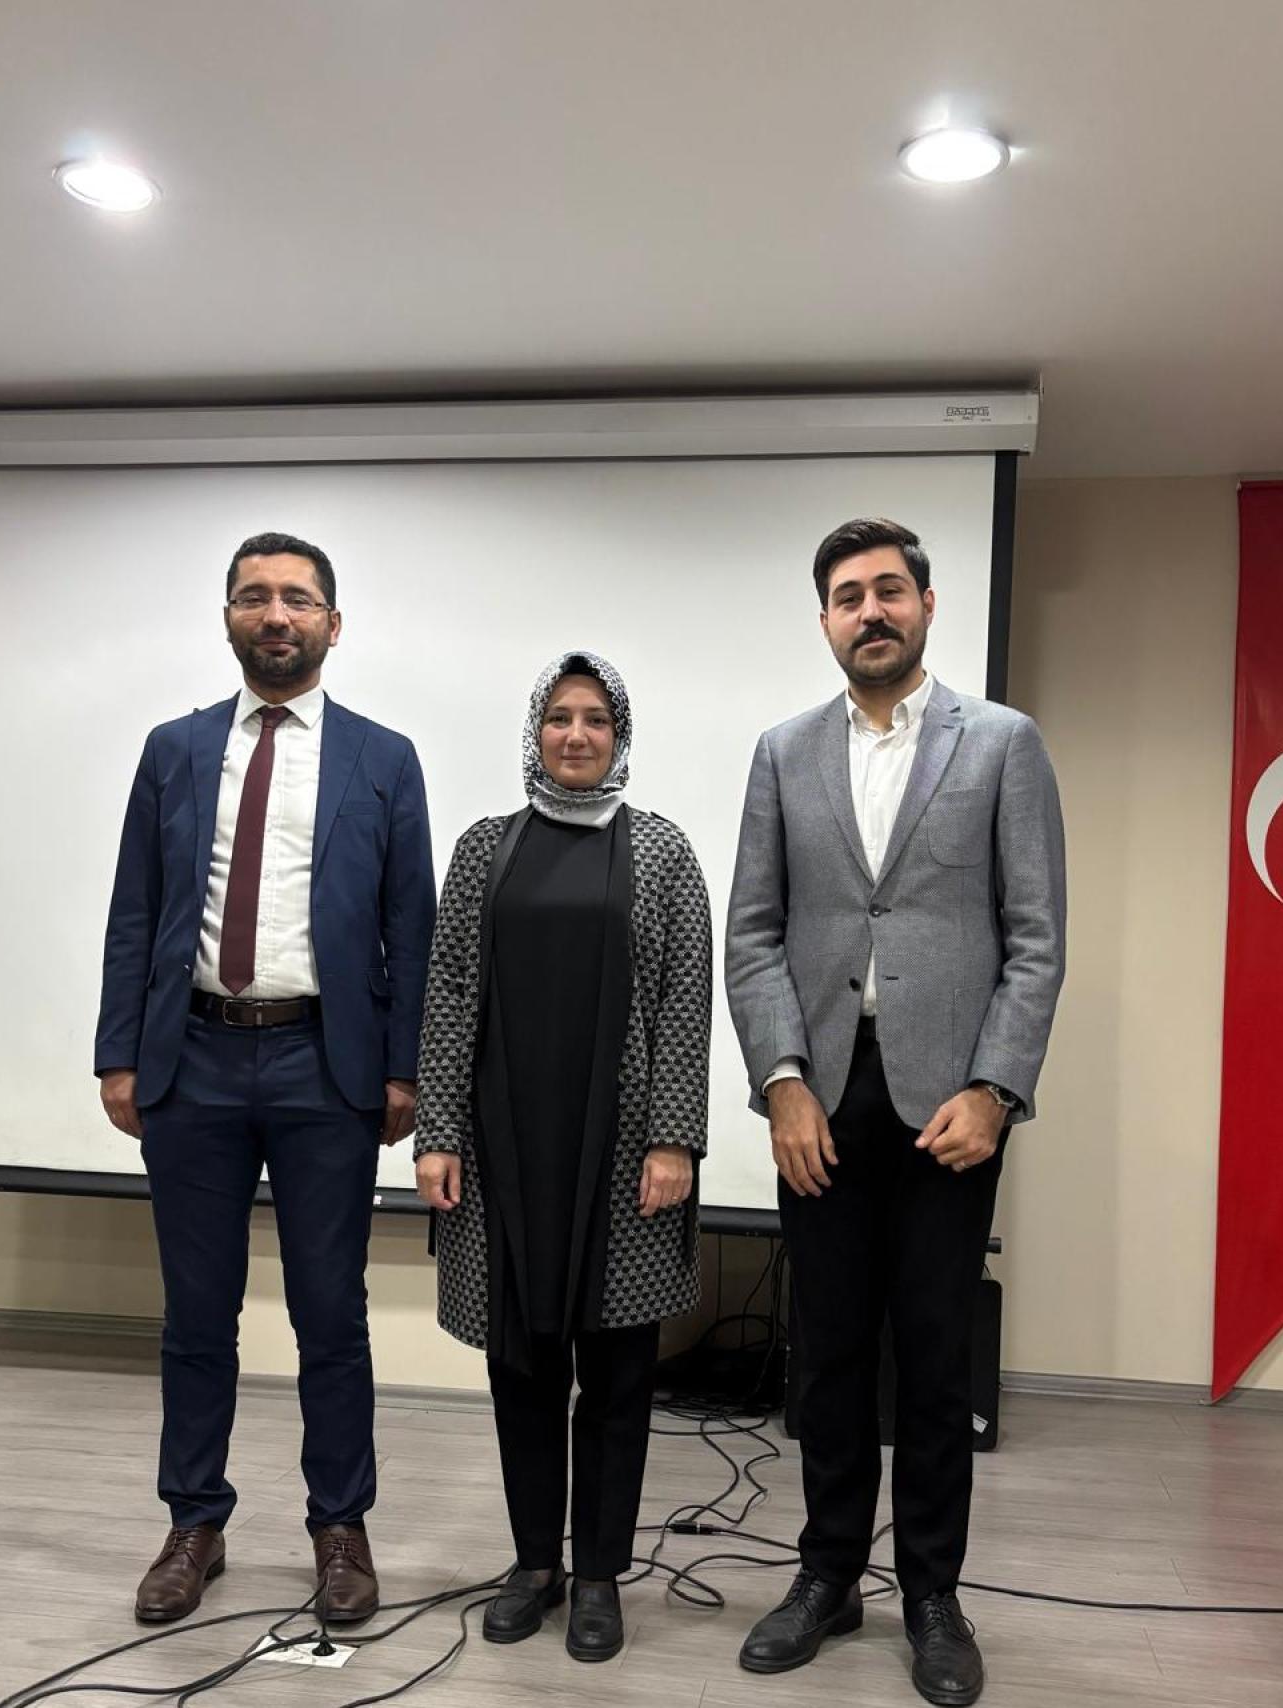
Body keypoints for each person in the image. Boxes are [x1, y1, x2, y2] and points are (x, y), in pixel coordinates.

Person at [725, 518, 1065, 1706]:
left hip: (947, 1107)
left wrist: (997, 1088)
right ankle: (826, 1575)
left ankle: (930, 1593)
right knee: (824, 1355)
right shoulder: (781, 752)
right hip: (819, 1098)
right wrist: (780, 1082)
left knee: (930, 1358)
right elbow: (753, 934)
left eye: (887, 590)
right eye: (846, 595)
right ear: (824, 620)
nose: (867, 610)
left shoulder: (1003, 743)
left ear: (925, 604)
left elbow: (1034, 938)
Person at [94, 531, 436, 1626]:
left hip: (322, 1065)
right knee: (196, 1312)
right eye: (254, 597)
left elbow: (411, 928)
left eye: (296, 598)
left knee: (331, 1312)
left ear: (333, 623)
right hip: (191, 1059)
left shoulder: (384, 759)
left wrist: (404, 1070)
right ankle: (195, 1520)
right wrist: (118, 1051)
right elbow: (136, 909)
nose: (274, 614)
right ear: (229, 618)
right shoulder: (175, 749)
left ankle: (341, 1527)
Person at [413, 651, 711, 1664]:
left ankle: (599, 1576)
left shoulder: (662, 851)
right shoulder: (483, 848)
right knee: (520, 1368)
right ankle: (535, 1561)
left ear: (619, 736)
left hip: (623, 1153)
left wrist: (674, 1137)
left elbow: (684, 1003)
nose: (576, 735)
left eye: (595, 719)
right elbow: (450, 994)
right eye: (558, 717)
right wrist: (437, 1134)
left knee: (618, 1375)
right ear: (534, 732)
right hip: (506, 1151)